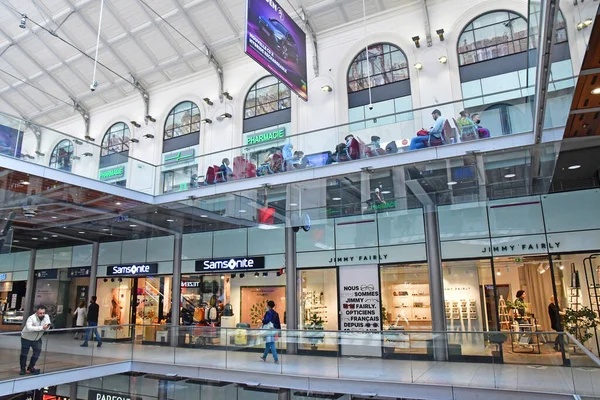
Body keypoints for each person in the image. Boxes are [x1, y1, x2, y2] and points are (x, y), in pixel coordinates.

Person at [20, 305, 51, 375]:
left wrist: (45, 327)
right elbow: (29, 328)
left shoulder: (46, 317)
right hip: (26, 338)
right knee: (24, 354)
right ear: (36, 312)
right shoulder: (31, 318)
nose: (42, 314)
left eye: (43, 313)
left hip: (37, 339)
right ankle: (22, 369)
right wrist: (42, 327)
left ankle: (30, 367)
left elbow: (48, 326)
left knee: (37, 353)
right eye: (40, 313)